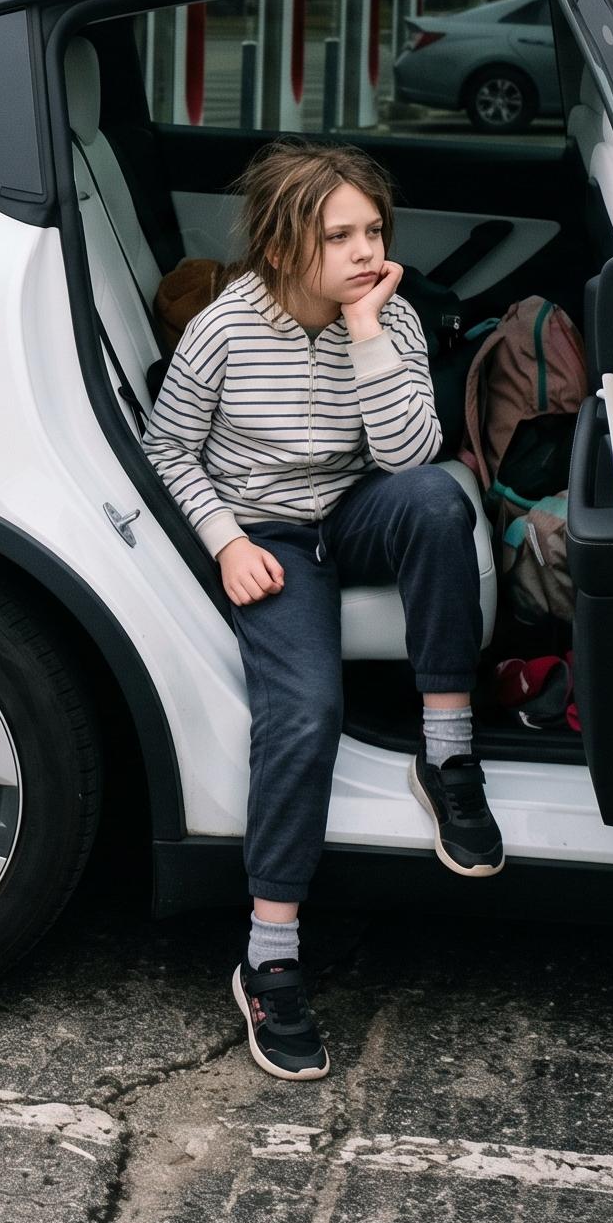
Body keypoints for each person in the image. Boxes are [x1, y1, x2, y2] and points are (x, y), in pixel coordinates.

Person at [140, 137, 501, 1082]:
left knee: (438, 502)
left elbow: (409, 455)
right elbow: (168, 449)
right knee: (306, 711)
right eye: (338, 235)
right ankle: (269, 956)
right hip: (268, 536)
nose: (362, 250)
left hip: (355, 507)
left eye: (373, 230)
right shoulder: (224, 327)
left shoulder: (393, 318)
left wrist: (373, 333)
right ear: (283, 244)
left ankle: (448, 753)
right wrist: (228, 541)